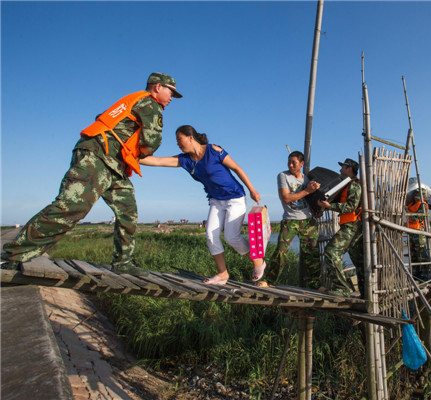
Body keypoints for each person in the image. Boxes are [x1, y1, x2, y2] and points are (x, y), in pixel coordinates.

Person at [1, 73, 182, 274]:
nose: (172, 97)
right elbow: (151, 140)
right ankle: (12, 255)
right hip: (98, 156)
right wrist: (144, 152)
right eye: (171, 91)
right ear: (157, 87)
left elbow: (103, 119)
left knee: (127, 211)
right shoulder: (150, 103)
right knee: (71, 207)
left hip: (113, 162)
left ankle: (123, 263)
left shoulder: (132, 100)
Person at [139, 125, 266, 285]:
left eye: (179, 139)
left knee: (231, 237)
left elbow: (236, 168)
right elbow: (157, 161)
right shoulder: (185, 160)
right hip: (215, 200)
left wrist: (252, 190)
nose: (178, 143)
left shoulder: (213, 150)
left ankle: (258, 262)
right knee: (210, 236)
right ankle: (222, 274)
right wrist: (132, 158)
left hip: (235, 198)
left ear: (190, 138)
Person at [263, 151, 321, 288]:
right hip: (290, 220)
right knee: (280, 252)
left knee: (312, 253)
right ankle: (269, 281)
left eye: (293, 162)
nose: (290, 165)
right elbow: (286, 198)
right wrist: (307, 191)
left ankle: (316, 285)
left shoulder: (307, 180)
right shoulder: (283, 176)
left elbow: (311, 200)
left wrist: (317, 210)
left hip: (308, 221)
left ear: (301, 164)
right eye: (289, 162)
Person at [317, 158, 364, 297]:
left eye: (343, 167)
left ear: (350, 169)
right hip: (352, 225)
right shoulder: (346, 185)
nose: (340, 170)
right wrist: (323, 207)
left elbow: (351, 206)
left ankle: (342, 289)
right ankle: (365, 295)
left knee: (331, 252)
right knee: (359, 261)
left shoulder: (354, 185)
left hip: (353, 225)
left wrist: (329, 206)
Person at [405, 189, 430, 280]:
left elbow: (415, 218)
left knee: (421, 254)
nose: (416, 199)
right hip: (410, 231)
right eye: (415, 197)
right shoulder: (411, 204)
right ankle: (415, 274)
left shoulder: (423, 206)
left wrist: (407, 211)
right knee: (413, 254)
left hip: (419, 232)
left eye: (418, 198)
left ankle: (424, 275)